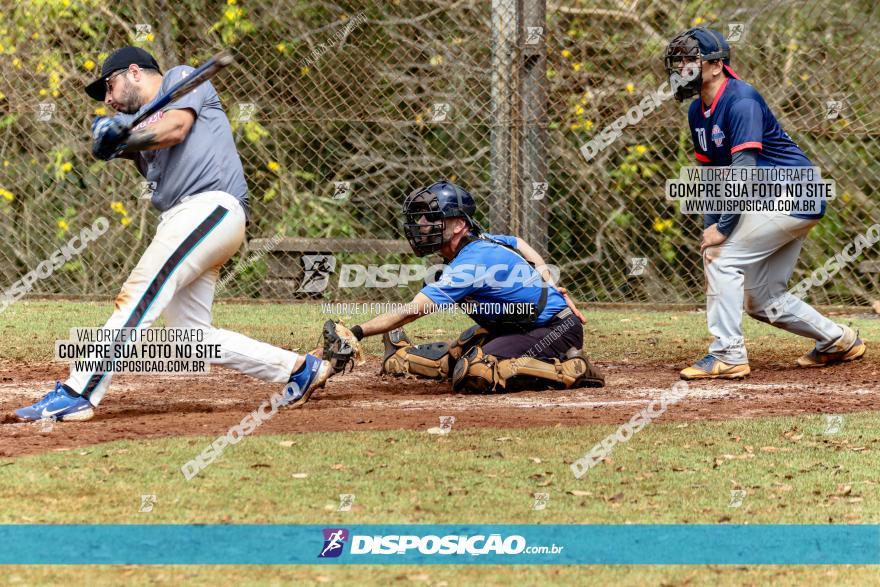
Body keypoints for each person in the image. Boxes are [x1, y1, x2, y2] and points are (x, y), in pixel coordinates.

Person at [16, 47, 331, 421]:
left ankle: (79, 391)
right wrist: (113, 144)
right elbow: (145, 154)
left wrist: (127, 139)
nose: (109, 99)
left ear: (134, 72)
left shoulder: (179, 78)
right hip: (184, 218)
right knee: (190, 340)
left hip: (210, 205)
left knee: (140, 293)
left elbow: (175, 129)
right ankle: (299, 369)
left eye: (109, 86)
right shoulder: (138, 123)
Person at [664, 28, 866, 380]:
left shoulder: (741, 100)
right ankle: (838, 340)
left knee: (720, 258)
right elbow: (713, 180)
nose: (682, 67)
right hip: (772, 199)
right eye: (678, 60)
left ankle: (727, 354)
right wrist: (711, 226)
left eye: (690, 59)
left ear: (716, 66)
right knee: (761, 300)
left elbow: (743, 174)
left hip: (792, 195)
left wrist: (723, 229)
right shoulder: (698, 111)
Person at [331, 181, 604, 394]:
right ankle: (401, 357)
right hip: (519, 325)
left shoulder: (471, 261)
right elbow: (519, 242)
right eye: (421, 218)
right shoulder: (478, 242)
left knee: (476, 370)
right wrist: (550, 285)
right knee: (457, 353)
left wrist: (357, 332)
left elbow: (413, 311)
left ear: (459, 224)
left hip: (553, 330)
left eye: (432, 217)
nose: (422, 225)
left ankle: (571, 371)